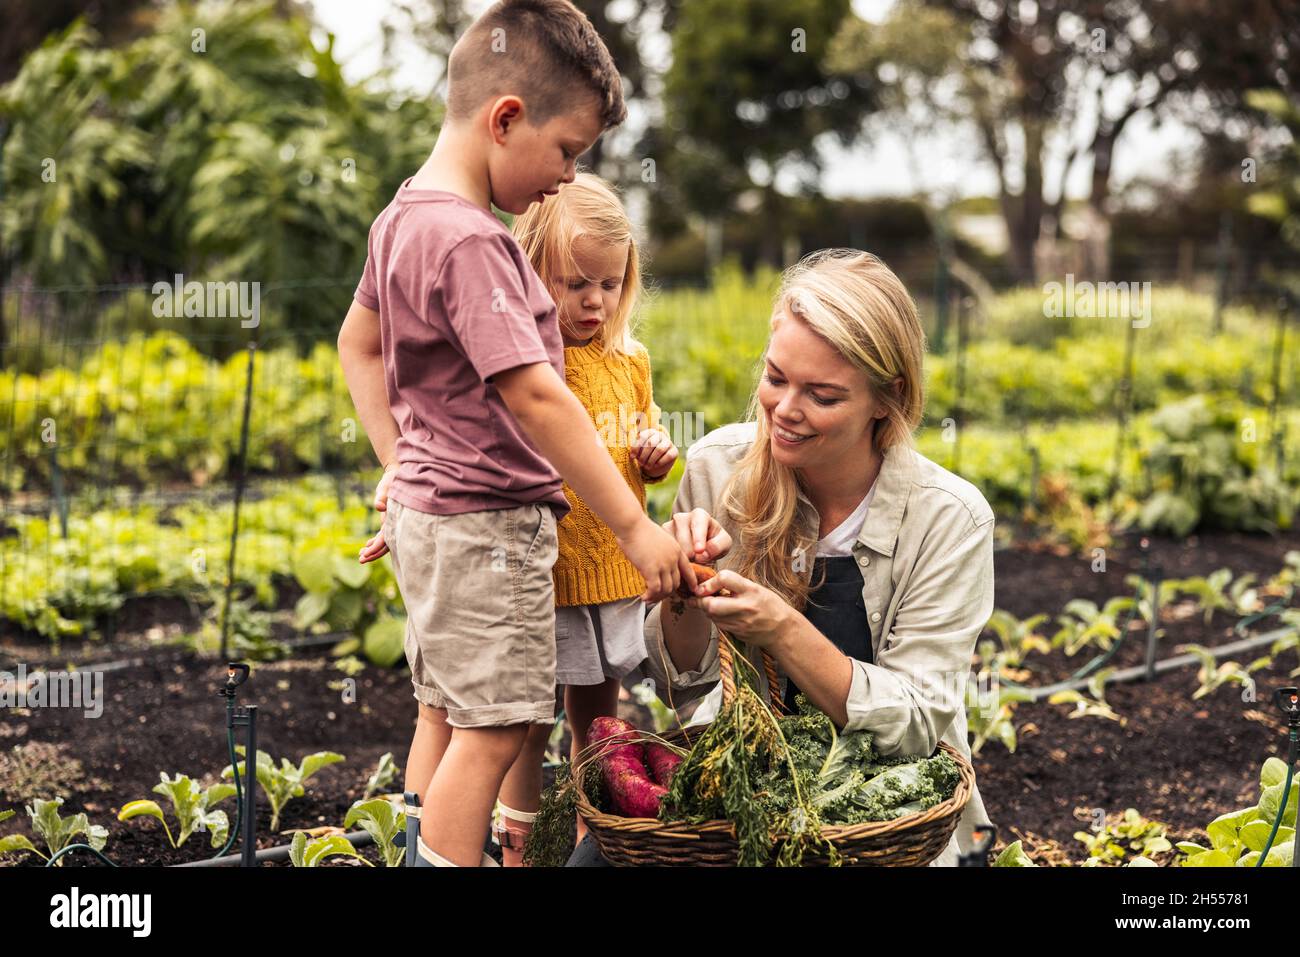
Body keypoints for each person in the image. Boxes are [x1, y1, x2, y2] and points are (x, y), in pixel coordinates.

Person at [337, 0, 695, 868]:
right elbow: (538, 398)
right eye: (566, 151)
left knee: (446, 716)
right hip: (488, 530)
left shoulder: (402, 218)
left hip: (433, 520)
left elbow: (358, 342)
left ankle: (415, 853)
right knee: (497, 731)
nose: (568, 177)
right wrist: (635, 527)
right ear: (505, 119)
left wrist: (402, 462)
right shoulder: (472, 244)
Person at [569, 248, 994, 867]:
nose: (785, 410)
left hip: (882, 816)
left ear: (887, 398)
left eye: (822, 395)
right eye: (775, 379)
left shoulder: (950, 520)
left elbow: (913, 725)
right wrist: (687, 596)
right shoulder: (718, 467)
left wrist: (783, 629)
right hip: (746, 794)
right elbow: (683, 687)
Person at [492, 173, 678, 863]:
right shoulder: (535, 363)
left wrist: (655, 454)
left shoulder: (630, 361)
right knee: (524, 724)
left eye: (608, 281)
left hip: (610, 572)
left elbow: (642, 439)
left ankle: (589, 840)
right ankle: (520, 844)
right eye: (574, 282)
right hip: (548, 571)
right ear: (532, 267)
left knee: (597, 721)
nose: (594, 299)